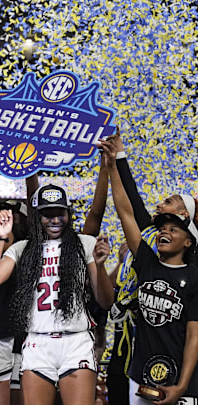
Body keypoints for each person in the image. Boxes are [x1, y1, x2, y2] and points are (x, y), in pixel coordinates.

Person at [0, 184, 114, 405]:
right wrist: (0, 239)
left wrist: (100, 267)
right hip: (37, 341)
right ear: (37, 216)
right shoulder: (22, 248)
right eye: (47, 214)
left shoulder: (85, 244)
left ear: (68, 214)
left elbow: (106, 301)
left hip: (76, 342)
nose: (54, 220)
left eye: (59, 214)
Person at [104, 138, 198, 404]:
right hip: (141, 369)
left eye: (173, 227)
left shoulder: (194, 275)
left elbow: (194, 335)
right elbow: (126, 209)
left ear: (189, 237)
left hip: (182, 379)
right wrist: (112, 164)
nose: (164, 231)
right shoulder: (146, 258)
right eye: (162, 228)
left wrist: (182, 386)